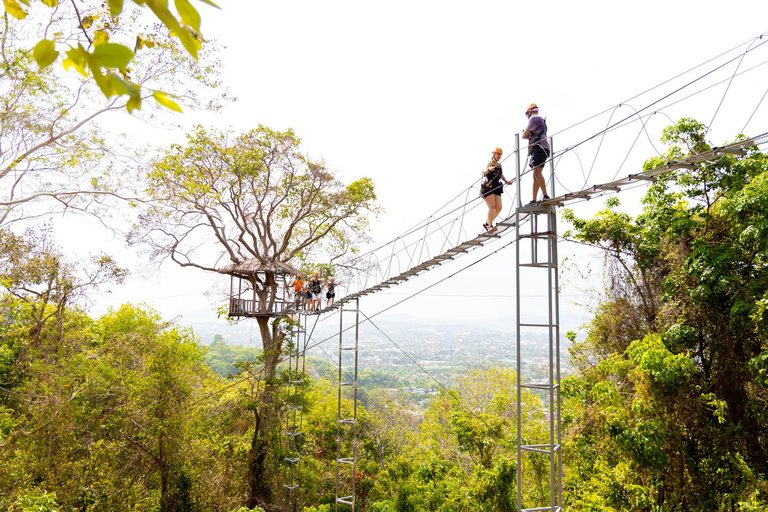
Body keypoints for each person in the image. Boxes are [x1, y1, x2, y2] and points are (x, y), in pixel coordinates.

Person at [522, 103, 550, 205]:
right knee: (535, 175)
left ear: (529, 112)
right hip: (542, 148)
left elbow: (524, 135)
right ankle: (534, 199)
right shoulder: (540, 120)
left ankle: (545, 195)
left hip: (539, 148)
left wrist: (526, 133)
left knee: (537, 173)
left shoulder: (533, 118)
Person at [480, 147, 513, 231]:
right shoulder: (490, 163)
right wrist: (489, 169)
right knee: (492, 206)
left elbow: (501, 175)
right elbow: (484, 173)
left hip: (497, 187)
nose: (499, 156)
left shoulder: (499, 165)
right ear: (494, 154)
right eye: (498, 154)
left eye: (500, 155)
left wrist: (506, 181)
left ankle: (488, 222)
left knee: (499, 208)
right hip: (489, 187)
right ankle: (490, 226)